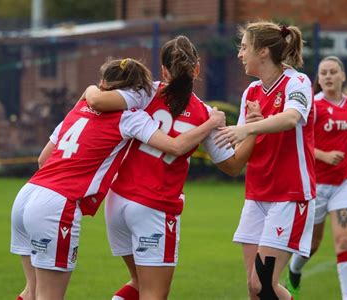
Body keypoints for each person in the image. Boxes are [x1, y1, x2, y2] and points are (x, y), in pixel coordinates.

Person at [10, 57, 227, 300]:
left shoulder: (78, 109)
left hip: (27, 195)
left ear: (103, 83)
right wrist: (211, 123)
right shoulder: (129, 117)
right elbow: (175, 146)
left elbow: (43, 159)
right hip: (56, 205)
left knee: (31, 292)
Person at [84, 35, 259, 300]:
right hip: (154, 207)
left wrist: (91, 91)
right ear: (197, 68)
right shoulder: (206, 115)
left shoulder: (143, 93)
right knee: (154, 294)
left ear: (163, 69)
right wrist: (255, 130)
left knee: (138, 284)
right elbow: (233, 167)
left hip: (117, 201)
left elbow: (100, 101)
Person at [213, 21, 316, 300]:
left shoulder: (297, 82)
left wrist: (249, 127)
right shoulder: (251, 93)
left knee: (264, 285)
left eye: (244, 47)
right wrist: (206, 136)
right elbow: (236, 164)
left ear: (264, 52)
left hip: (289, 195)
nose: (239, 54)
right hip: (257, 195)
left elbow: (292, 117)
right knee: (255, 289)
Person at [285, 56, 347, 300]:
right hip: (317, 183)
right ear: (318, 78)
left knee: (344, 241)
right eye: (323, 73)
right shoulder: (313, 106)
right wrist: (323, 155)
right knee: (311, 244)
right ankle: (294, 270)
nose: (328, 76)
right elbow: (298, 142)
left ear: (343, 76)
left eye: (333, 72)